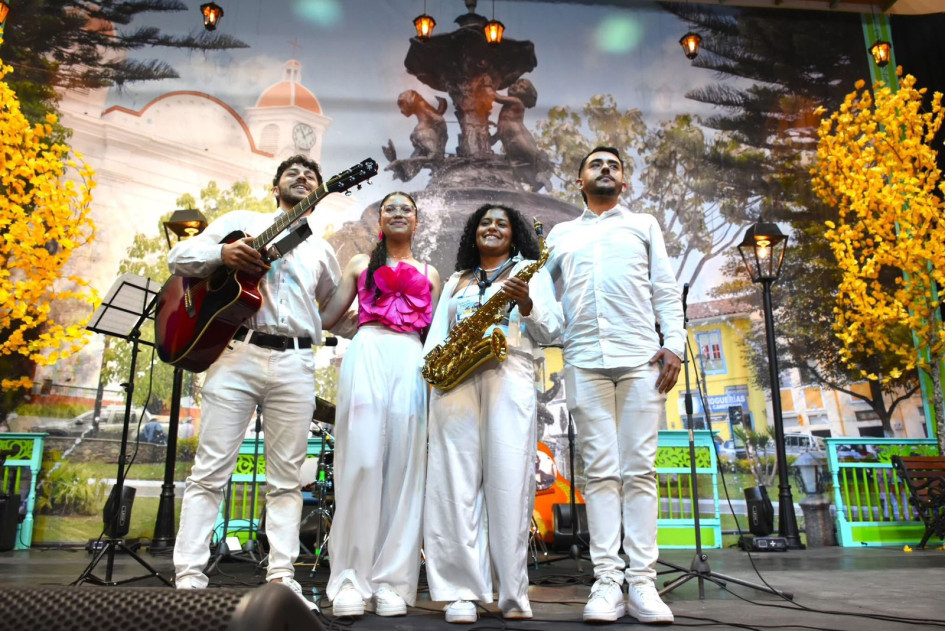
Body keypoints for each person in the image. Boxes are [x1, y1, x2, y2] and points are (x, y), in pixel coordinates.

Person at [168, 155, 340, 609]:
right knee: (210, 470)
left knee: (286, 479)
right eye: (293, 174)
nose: (302, 178)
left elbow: (329, 308)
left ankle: (282, 575)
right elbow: (177, 257)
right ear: (275, 185)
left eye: (311, 176)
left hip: (296, 364)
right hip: (237, 354)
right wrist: (220, 254)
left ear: (321, 192)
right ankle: (189, 573)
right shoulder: (240, 223)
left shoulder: (323, 251)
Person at [545, 146, 683, 624]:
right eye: (595, 164)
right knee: (600, 472)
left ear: (623, 182)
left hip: (642, 359)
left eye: (614, 165)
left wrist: (677, 344)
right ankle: (607, 580)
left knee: (639, 471)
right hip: (584, 360)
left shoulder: (643, 225)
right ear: (579, 180)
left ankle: (643, 583)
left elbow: (664, 288)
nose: (606, 168)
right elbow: (542, 296)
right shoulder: (561, 234)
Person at [422, 204, 562, 624]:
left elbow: (553, 329)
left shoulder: (529, 272)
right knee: (454, 486)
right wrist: (433, 370)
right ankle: (461, 593)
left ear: (513, 233)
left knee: (509, 484)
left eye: (502, 223)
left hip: (509, 372)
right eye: (485, 223)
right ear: (474, 233)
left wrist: (527, 304)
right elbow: (436, 335)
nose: (493, 228)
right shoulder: (457, 280)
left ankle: (512, 593)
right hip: (456, 380)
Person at [319, 192, 440, 617]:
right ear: (380, 221)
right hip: (367, 353)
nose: (399, 213)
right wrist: (366, 326)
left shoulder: (432, 273)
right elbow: (328, 316)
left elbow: (436, 336)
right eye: (390, 208)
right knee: (362, 462)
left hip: (411, 358)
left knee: (403, 467)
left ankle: (392, 582)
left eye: (407, 208)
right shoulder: (358, 266)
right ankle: (351, 579)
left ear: (417, 222)